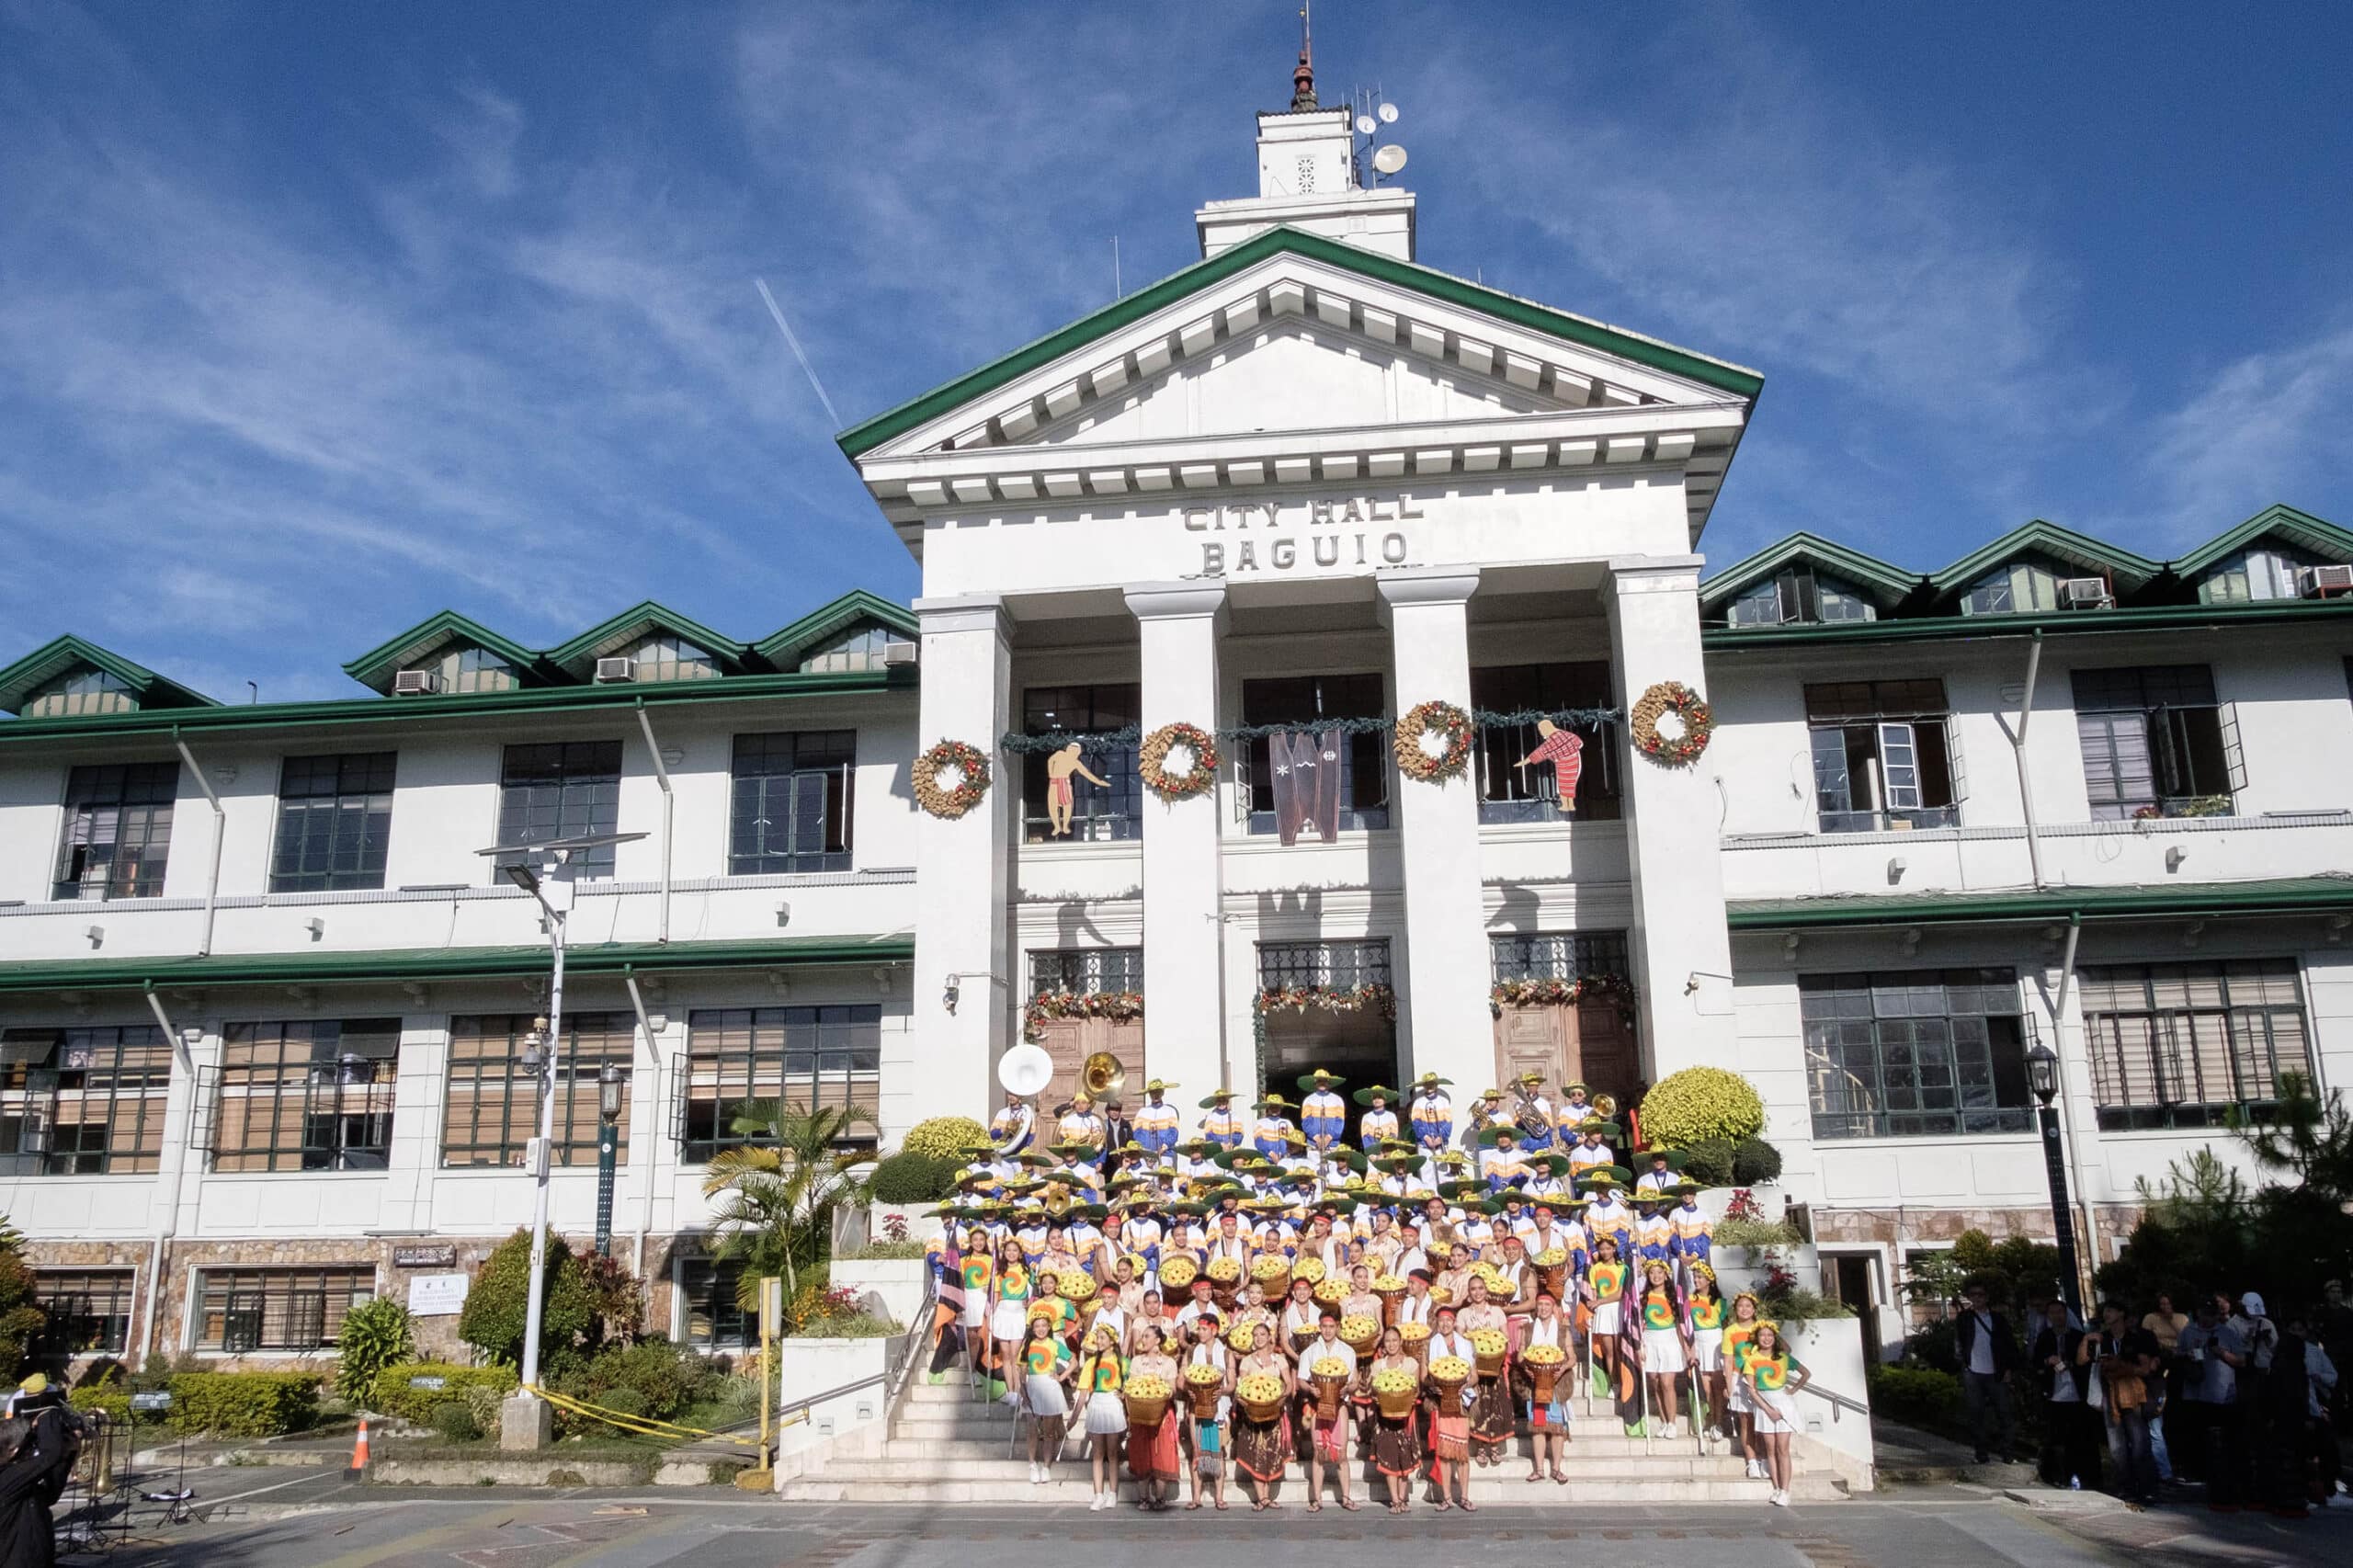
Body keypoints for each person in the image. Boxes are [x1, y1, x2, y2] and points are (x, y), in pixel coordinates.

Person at [2084, 1301, 2161, 1504]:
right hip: (2110, 1392)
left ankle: (2146, 1487)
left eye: (2110, 1310)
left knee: (2139, 1442)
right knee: (2116, 1445)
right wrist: (2089, 1341)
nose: (2106, 1314)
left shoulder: (2138, 1337)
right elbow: (2083, 1360)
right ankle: (2125, 1487)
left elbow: (2145, 1369)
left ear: (2121, 1313)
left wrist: (2121, 1365)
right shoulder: (2103, 1338)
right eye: (2105, 1311)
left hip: (2134, 1392)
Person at [2178, 1292, 2249, 1510]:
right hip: (2195, 1394)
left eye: (2212, 1314)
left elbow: (2242, 1361)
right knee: (2199, 1442)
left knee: (2223, 1443)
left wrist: (2221, 1353)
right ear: (2198, 1313)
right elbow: (2177, 1354)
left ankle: (2226, 1483)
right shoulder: (2188, 1331)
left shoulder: (2227, 1333)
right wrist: (2187, 1355)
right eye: (2205, 1314)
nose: (2208, 1319)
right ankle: (2205, 1481)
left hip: (2221, 1397)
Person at [2030, 1297, 2102, 1492]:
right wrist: (2048, 1362)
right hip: (2055, 1393)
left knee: (2082, 1437)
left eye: (2060, 1312)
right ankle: (2059, 1474)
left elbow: (2088, 1362)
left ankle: (2087, 1476)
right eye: (2052, 1313)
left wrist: (2071, 1363)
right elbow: (2035, 1363)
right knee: (2057, 1437)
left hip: (2077, 1392)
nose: (2057, 1316)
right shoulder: (2044, 1337)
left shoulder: (2078, 1336)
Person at [1297, 1310, 1359, 1511]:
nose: (1327, 1330)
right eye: (1324, 1326)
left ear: (1338, 1328)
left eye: (1331, 1327)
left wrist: (1347, 1388)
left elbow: (1355, 1381)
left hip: (1339, 1405)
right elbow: (1301, 1380)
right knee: (1319, 1453)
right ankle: (1317, 1499)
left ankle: (1347, 1497)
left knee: (1341, 1453)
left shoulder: (1348, 1351)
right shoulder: (1310, 1352)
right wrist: (1311, 1388)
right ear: (1319, 1328)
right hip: (1317, 1405)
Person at [1745, 1321, 1811, 1507]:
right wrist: (1767, 1410)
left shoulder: (1783, 1357)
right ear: (1757, 1338)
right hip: (1764, 1405)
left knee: (1783, 1448)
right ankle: (1776, 1487)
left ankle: (1785, 1489)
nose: (1766, 1339)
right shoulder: (1752, 1359)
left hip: (1783, 1405)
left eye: (1770, 1335)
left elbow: (1805, 1373)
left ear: (1775, 1338)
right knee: (1770, 1449)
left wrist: (1793, 1390)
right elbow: (1751, 1390)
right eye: (1762, 1335)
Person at [1955, 1280, 2020, 1464]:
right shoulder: (1964, 1318)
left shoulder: (1997, 1319)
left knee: (2004, 1413)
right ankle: (1981, 1454)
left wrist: (2008, 1368)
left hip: (1996, 1371)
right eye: (1973, 1295)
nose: (1977, 1298)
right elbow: (1960, 1341)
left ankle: (2008, 1453)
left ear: (1987, 1298)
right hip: (1973, 1371)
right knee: (1976, 1414)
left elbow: (2008, 1344)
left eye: (1980, 1294)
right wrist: (1963, 1362)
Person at [1231, 1323, 1294, 1511]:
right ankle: (1262, 1497)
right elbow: (1240, 1386)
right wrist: (1241, 1398)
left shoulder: (1279, 1360)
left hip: (1274, 1411)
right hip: (1252, 1413)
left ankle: (1268, 1495)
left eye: (1262, 1334)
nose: (1259, 1338)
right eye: (1256, 1335)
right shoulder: (1246, 1361)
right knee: (1255, 1452)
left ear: (1269, 1337)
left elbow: (1288, 1384)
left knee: (1271, 1452)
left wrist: (1282, 1398)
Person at [1423, 1305, 1476, 1512]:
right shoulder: (1429, 1345)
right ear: (1436, 1323)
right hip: (1440, 1402)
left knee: (1462, 1453)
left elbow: (1475, 1376)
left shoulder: (1465, 1344)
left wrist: (1465, 1386)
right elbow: (1423, 1376)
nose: (1445, 1324)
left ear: (1454, 1322)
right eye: (1441, 1320)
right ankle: (1446, 1497)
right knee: (1445, 1453)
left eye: (1448, 1320)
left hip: (1461, 1401)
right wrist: (1433, 1385)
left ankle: (1464, 1496)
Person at [1518, 1290, 1574, 1483]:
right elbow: (1520, 1355)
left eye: (1547, 1305)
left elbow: (1572, 1357)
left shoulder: (1563, 1330)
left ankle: (1556, 1468)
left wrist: (1563, 1368)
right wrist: (1528, 1369)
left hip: (1557, 1384)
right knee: (1539, 1426)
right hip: (1536, 1384)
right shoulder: (1527, 1329)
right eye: (1540, 1305)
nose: (1543, 1308)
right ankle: (1540, 1468)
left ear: (1553, 1308)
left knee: (1557, 1427)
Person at [1366, 1324, 1423, 1514]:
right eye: (1388, 1341)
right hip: (1385, 1417)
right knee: (1389, 1455)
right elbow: (1374, 1391)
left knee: (1405, 1455)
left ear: (1401, 1342)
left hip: (1406, 1416)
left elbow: (1415, 1389)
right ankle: (1395, 1500)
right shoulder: (1378, 1366)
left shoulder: (1411, 1364)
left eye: (1394, 1341)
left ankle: (1403, 1496)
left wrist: (1409, 1397)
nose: (1391, 1344)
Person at [1127, 1324, 1182, 1512]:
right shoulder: (1136, 1362)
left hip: (1162, 1413)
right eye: (1142, 1336)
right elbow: (1132, 1386)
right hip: (1140, 1413)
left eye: (1147, 1336)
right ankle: (1143, 1497)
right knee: (1141, 1452)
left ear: (1158, 1340)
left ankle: (1160, 1497)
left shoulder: (1168, 1362)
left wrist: (1158, 1392)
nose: (1143, 1339)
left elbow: (1172, 1389)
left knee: (1162, 1453)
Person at [1180, 1310, 1232, 1511]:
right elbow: (1181, 1380)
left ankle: (1219, 1497)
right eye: (1199, 1329)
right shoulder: (1192, 1352)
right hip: (1196, 1407)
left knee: (1218, 1452)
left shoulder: (1226, 1353)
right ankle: (1196, 1497)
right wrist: (1189, 1391)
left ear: (1214, 1330)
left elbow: (1233, 1382)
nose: (1200, 1333)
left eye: (1204, 1329)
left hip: (1219, 1407)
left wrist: (1223, 1391)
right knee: (1197, 1451)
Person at [1075, 1322, 1130, 1511]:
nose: (1098, 1341)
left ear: (1112, 1341)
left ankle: (1113, 1493)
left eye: (1102, 1338)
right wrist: (1075, 1416)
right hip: (1097, 1403)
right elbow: (1083, 1392)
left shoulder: (1123, 1361)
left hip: (1113, 1405)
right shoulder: (1091, 1363)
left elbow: (1131, 1385)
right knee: (1098, 1453)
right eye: (1097, 1338)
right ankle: (1098, 1494)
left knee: (1113, 1453)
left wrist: (1123, 1395)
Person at [1637, 1259, 1691, 1437]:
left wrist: (1687, 1349)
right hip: (1650, 1339)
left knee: (1667, 1383)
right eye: (1652, 1273)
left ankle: (1672, 1422)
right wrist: (1640, 1346)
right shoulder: (1643, 1297)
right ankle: (1663, 1421)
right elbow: (1638, 1324)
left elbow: (1680, 1325)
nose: (1656, 1276)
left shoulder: (1673, 1297)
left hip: (1669, 1340)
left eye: (1659, 1273)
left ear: (1666, 1274)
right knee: (1656, 1382)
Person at [1019, 1311, 1074, 1484]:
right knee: (1032, 1429)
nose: (1041, 1329)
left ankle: (1047, 1466)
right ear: (1032, 1328)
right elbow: (1021, 1371)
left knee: (1049, 1432)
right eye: (1037, 1326)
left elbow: (1074, 1361)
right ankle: (1032, 1464)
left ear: (1049, 1327)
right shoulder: (1027, 1345)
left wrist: (1062, 1376)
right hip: (1033, 1386)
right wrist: (1023, 1392)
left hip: (1050, 1387)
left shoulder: (1054, 1344)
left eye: (1044, 1325)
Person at [1688, 1266, 1730, 1442]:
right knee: (1706, 1388)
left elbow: (1725, 1325)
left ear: (1709, 1280)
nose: (1697, 1281)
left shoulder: (1720, 1302)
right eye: (1695, 1278)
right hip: (1699, 1340)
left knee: (1718, 1387)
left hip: (1716, 1342)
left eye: (1700, 1278)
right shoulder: (1690, 1300)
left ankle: (1718, 1422)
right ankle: (1711, 1417)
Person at [1044, 741, 1110, 836]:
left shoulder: (1076, 762)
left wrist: (1099, 782)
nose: (1075, 753)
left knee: (1068, 806)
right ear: (1068, 749)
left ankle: (1065, 826)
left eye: (1077, 752)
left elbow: (1087, 774)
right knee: (1053, 805)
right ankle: (1057, 826)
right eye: (1073, 750)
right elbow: (1050, 760)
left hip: (1065, 783)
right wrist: (1050, 773)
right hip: (1054, 782)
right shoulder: (1060, 754)